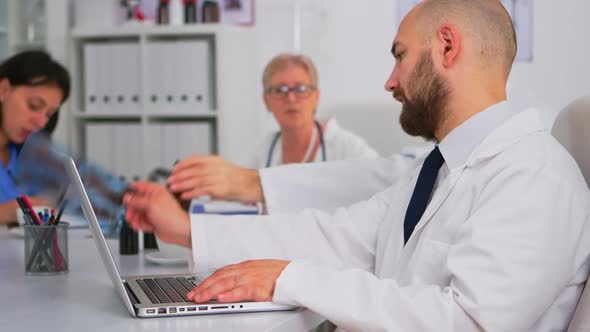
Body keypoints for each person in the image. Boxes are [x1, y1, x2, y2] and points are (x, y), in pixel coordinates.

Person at [124, 0, 590, 330]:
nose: (390, 81)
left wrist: (292, 278)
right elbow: (339, 233)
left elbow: (468, 322)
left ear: (447, 47)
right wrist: (187, 230)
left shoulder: (532, 176)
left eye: (400, 56)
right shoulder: (439, 168)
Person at [168, 53, 378, 203]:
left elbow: (382, 188)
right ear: (266, 101)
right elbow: (234, 189)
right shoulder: (265, 149)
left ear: (316, 97)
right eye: (280, 90)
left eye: (301, 89)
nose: (291, 98)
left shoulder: (348, 147)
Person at [0, 50, 71, 225]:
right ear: (3, 90)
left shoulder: (21, 153)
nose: (41, 122)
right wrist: (4, 213)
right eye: (34, 106)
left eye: (49, 114)